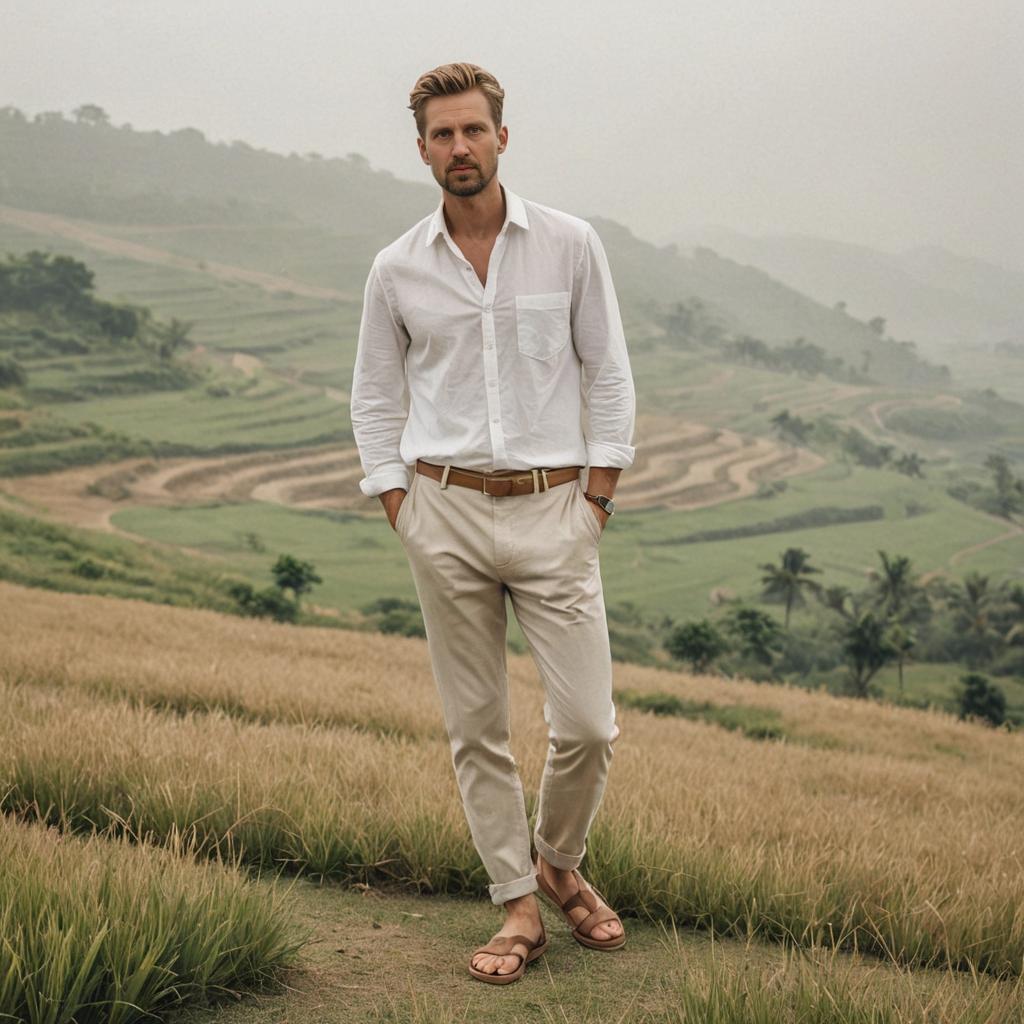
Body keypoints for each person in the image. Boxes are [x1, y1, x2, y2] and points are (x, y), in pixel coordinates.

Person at [350, 62, 636, 984]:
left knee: (588, 725)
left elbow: (611, 374)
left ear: (502, 136)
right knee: (475, 726)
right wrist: (401, 505)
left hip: (557, 511)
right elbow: (373, 397)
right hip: (443, 512)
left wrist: (595, 499)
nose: (459, 147)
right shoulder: (396, 266)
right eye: (441, 134)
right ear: (423, 147)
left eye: (473, 130)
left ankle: (559, 860)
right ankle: (517, 902)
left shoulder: (569, 243)